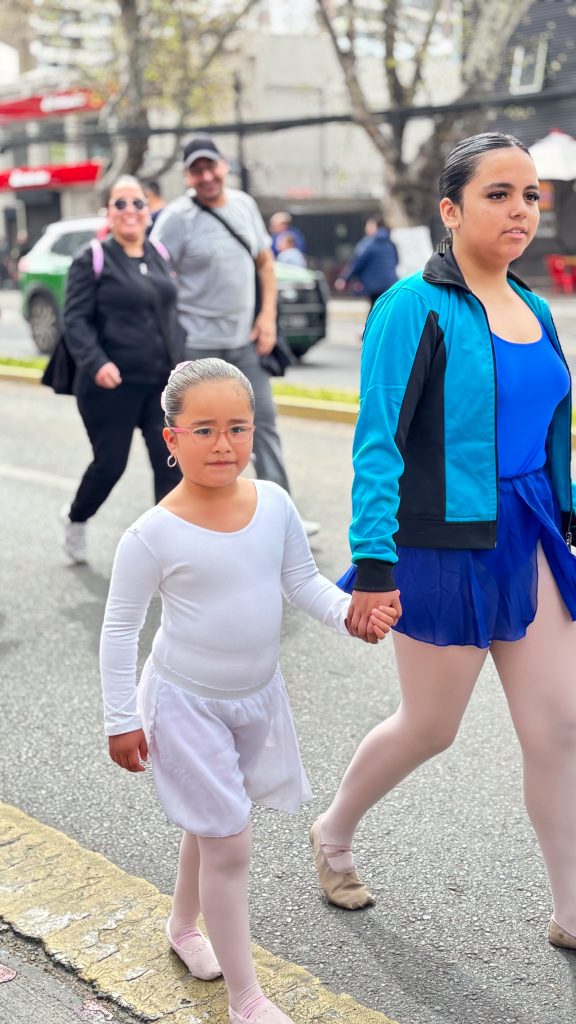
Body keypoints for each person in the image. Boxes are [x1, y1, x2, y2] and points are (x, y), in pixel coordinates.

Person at [311, 132, 576, 952]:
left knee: (559, 727)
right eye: (499, 194)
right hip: (442, 544)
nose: (520, 210)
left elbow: (553, 427)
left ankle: (571, 909)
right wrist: (373, 566)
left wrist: (567, 514)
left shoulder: (534, 306)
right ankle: (333, 830)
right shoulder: (410, 306)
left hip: (530, 532)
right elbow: (377, 444)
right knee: (431, 727)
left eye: (530, 195)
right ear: (451, 210)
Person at [99, 358, 397, 1024]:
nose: (223, 444)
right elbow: (119, 631)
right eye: (203, 430)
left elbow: (303, 583)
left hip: (256, 696)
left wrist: (352, 615)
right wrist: (121, 718)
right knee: (229, 840)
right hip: (184, 703)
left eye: (237, 427)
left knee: (213, 821)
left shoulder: (274, 505)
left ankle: (183, 927)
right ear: (171, 439)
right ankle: (246, 999)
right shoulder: (151, 535)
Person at [151, 135, 319, 536]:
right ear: (187, 175)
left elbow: (265, 263)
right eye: (197, 170)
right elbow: (156, 276)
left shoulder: (243, 206)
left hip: (245, 342)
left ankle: (282, 520)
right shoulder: (176, 218)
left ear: (223, 165)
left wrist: (267, 317)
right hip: (196, 347)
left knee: (262, 424)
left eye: (211, 166)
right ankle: (193, 520)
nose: (206, 176)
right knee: (199, 434)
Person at [60, 175, 181, 564]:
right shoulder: (92, 258)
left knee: (170, 464)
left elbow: (171, 316)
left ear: (148, 210)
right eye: (121, 203)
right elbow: (74, 320)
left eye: (138, 203)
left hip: (159, 382)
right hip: (110, 386)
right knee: (110, 465)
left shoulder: (158, 253)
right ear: (108, 212)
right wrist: (97, 363)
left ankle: (169, 549)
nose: (130, 210)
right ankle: (76, 517)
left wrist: (182, 360)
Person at [335, 216, 398, 309]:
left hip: (374, 286)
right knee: (384, 309)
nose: (366, 228)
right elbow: (396, 261)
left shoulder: (368, 243)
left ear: (376, 226)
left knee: (375, 310)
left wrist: (344, 279)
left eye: (368, 225)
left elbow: (356, 263)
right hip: (391, 283)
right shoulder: (390, 243)